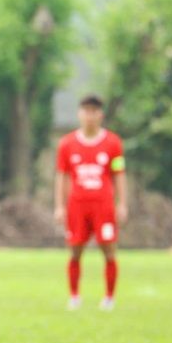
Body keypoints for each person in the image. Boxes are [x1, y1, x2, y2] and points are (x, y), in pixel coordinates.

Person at [54, 94, 127, 311]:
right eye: (86, 111)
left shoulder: (113, 142)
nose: (90, 116)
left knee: (109, 249)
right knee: (75, 249)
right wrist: (59, 206)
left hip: (103, 204)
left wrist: (122, 203)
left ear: (100, 115)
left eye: (94, 111)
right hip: (77, 205)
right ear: (79, 114)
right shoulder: (67, 144)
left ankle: (109, 298)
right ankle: (75, 296)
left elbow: (119, 174)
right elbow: (62, 176)